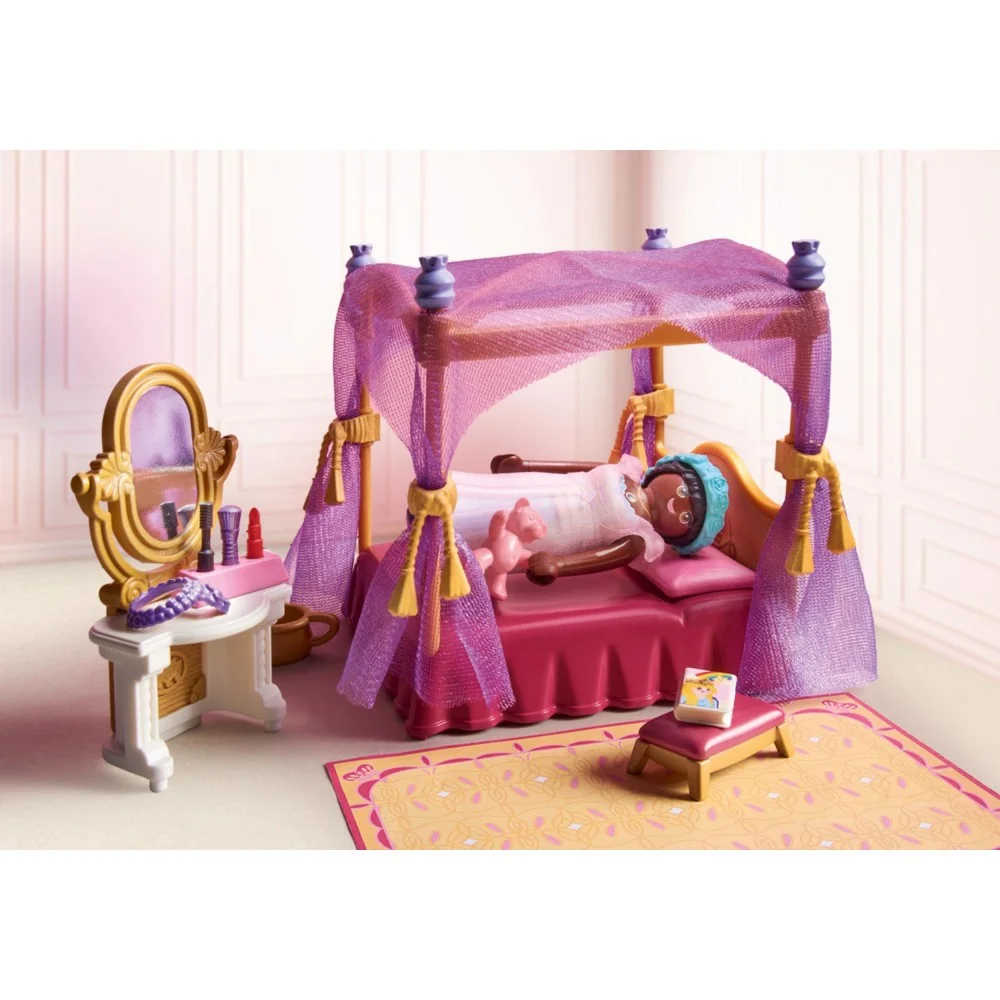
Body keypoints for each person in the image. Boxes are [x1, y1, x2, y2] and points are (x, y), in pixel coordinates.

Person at [451, 450, 729, 587]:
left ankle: (449, 545)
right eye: (683, 491)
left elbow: (604, 557)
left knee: (496, 536)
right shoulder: (627, 472)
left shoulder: (639, 536)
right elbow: (579, 468)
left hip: (559, 529)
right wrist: (526, 466)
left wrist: (559, 564)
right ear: (670, 470)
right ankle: (454, 497)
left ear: (680, 536)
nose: (675, 504)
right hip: (543, 487)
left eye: (686, 516)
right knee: (497, 497)